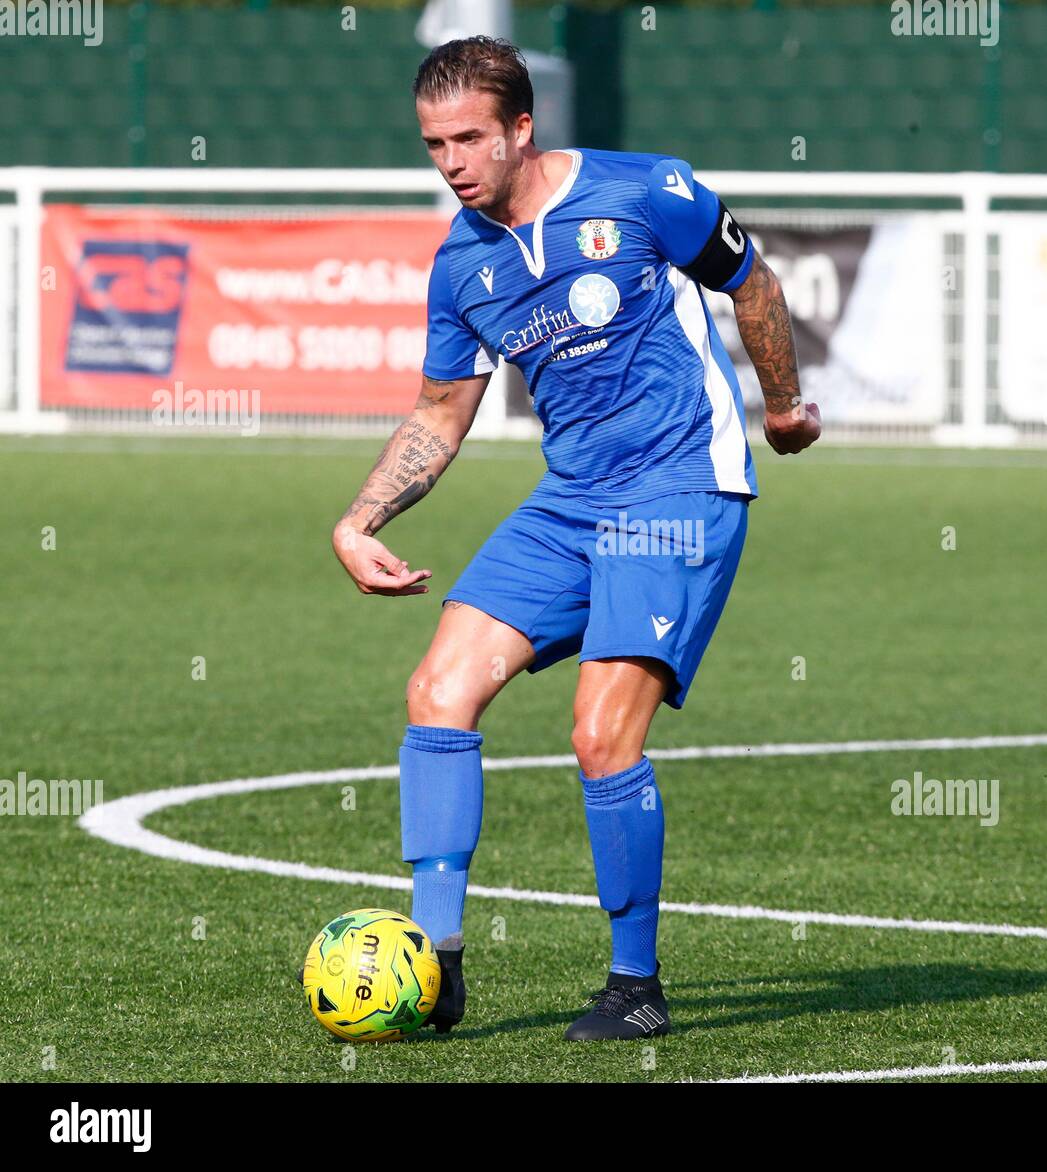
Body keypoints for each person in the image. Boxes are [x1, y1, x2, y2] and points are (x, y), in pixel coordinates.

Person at [332, 35, 820, 1041]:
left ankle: (634, 982)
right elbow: (438, 412)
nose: (453, 161)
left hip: (679, 486)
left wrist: (781, 406)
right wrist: (359, 518)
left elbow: (754, 283)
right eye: (434, 144)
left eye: (470, 137)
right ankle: (436, 962)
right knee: (438, 688)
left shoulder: (648, 193)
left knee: (600, 733)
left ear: (521, 126)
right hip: (571, 497)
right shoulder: (461, 264)